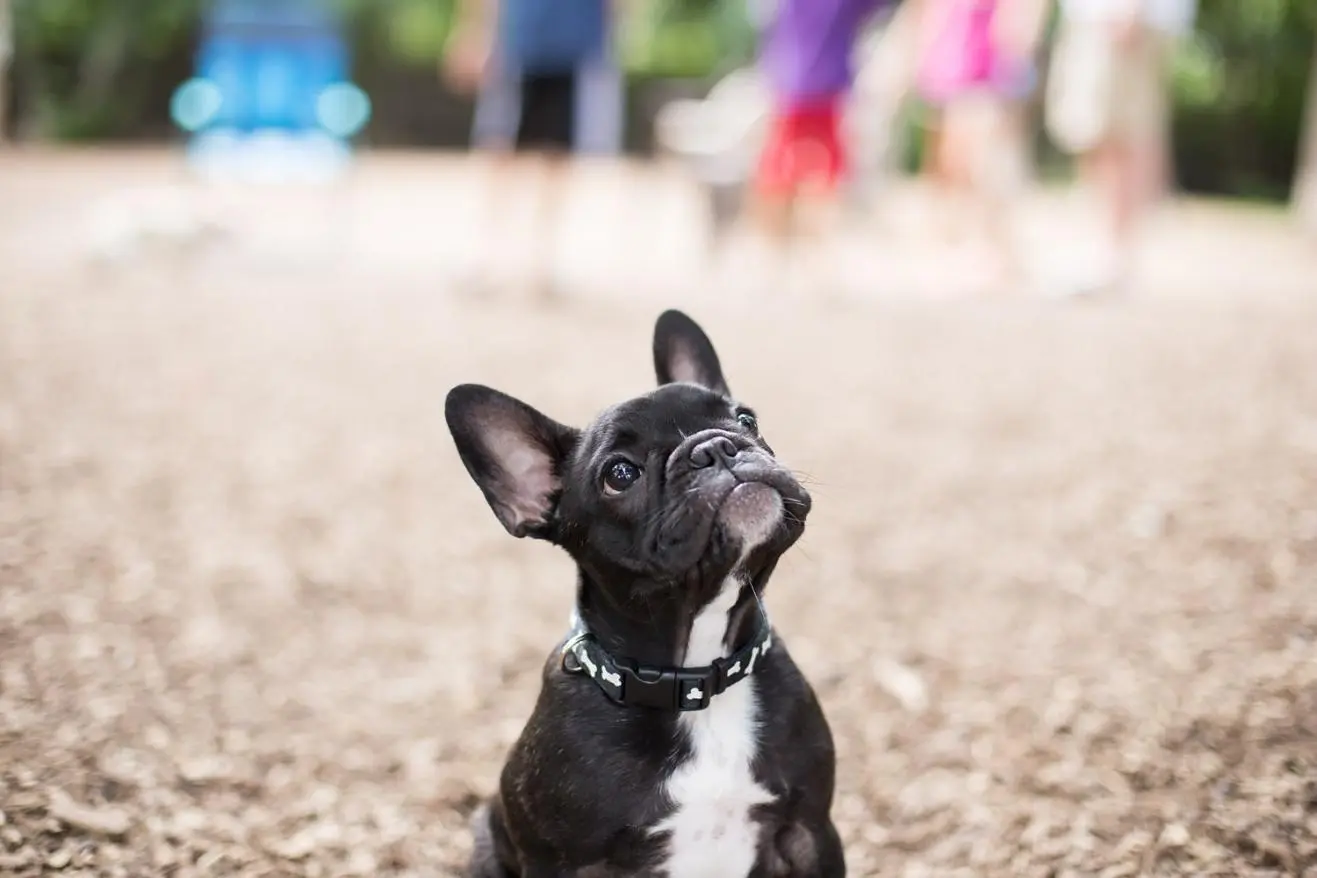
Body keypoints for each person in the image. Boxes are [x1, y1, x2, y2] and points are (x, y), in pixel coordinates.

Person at [444, 0, 620, 299]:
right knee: (499, 147)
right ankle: (487, 255)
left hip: (575, 45)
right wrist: (473, 32)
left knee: (557, 155)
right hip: (517, 41)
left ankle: (541, 262)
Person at [1045, 0, 1199, 296]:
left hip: (1119, 16)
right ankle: (1105, 247)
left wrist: (1131, 7)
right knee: (1095, 131)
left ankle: (1115, 255)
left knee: (1120, 133)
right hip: (1100, 17)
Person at [911, 0, 1048, 294]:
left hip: (989, 77)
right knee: (955, 165)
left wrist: (1014, 61)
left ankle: (996, 250)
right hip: (953, 73)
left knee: (989, 168)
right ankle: (965, 245)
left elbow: (1022, 22)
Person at [748, 0, 889, 279]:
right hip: (822, 84)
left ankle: (778, 256)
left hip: (790, 81)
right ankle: (809, 258)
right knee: (818, 174)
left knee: (781, 172)